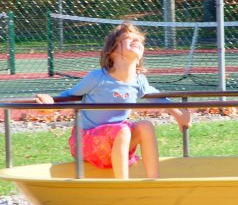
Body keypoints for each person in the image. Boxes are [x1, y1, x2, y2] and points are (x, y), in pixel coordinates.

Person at [35, 21, 191, 179]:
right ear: (113, 52)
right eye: (128, 38)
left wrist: (178, 115)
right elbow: (70, 95)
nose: (136, 41)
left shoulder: (139, 81)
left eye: (139, 40)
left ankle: (154, 180)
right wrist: (50, 104)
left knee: (145, 126)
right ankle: (122, 185)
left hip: (116, 142)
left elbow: (158, 97)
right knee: (122, 130)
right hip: (85, 143)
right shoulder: (99, 77)